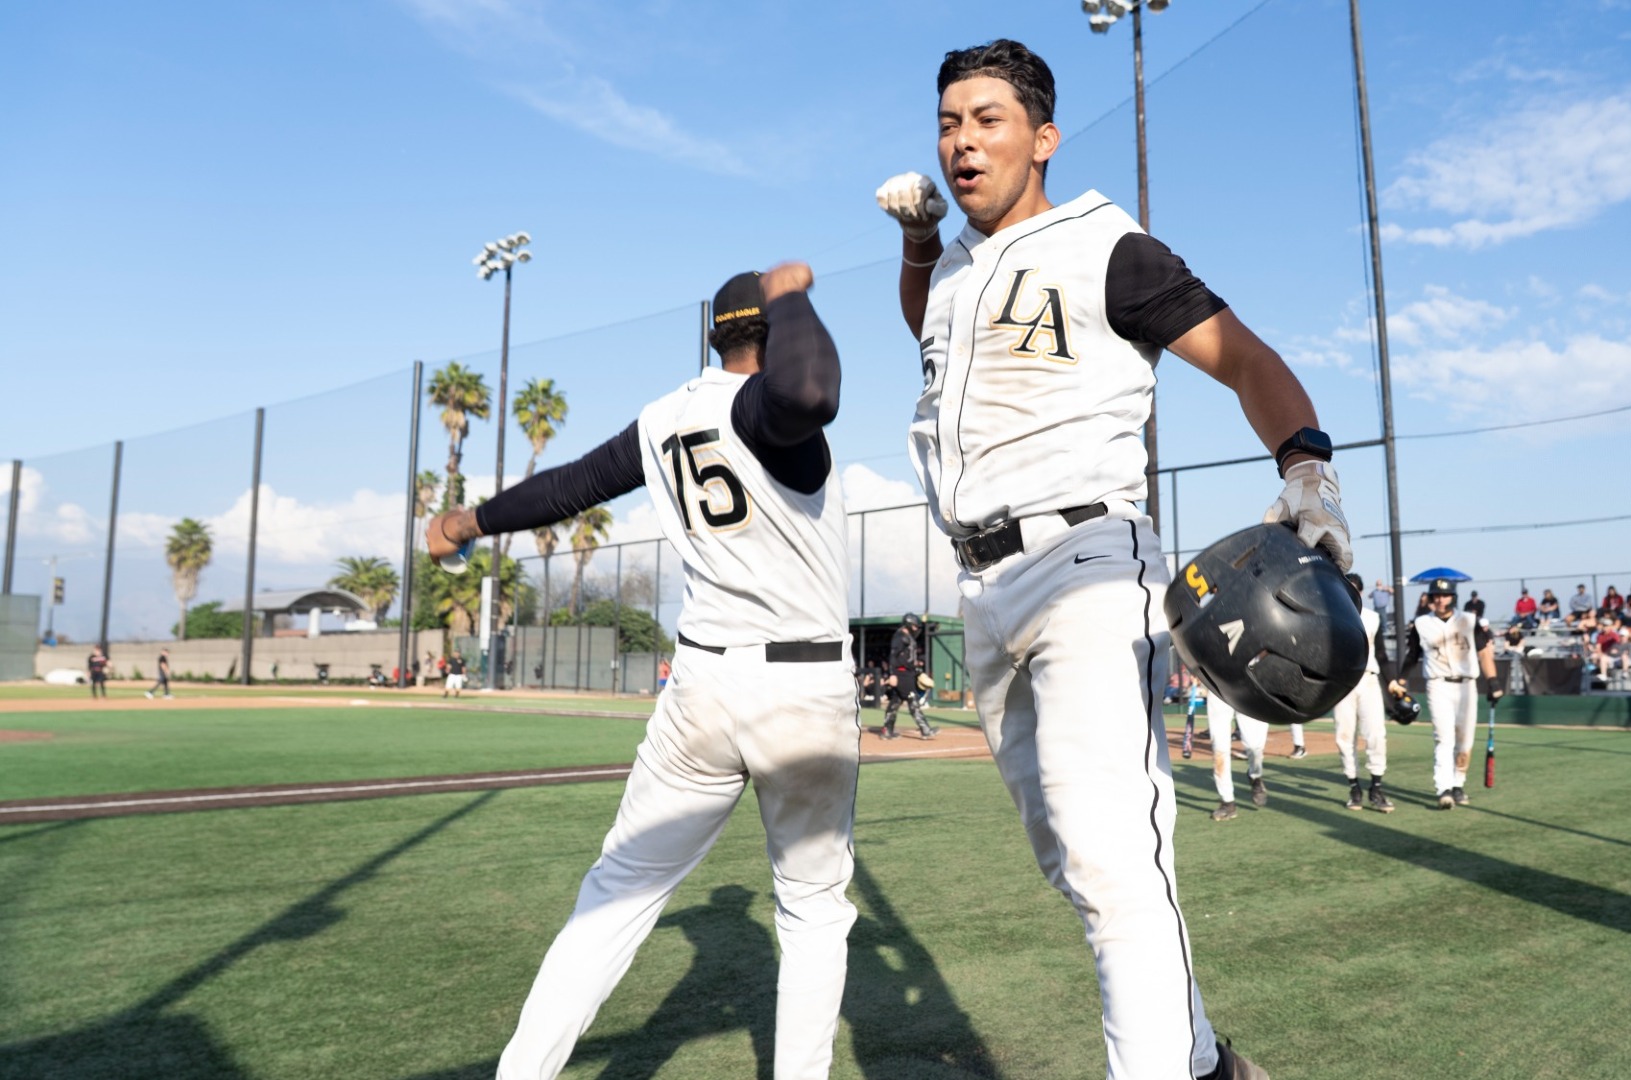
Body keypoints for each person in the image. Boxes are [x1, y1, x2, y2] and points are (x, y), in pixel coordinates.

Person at [872, 38, 1346, 1079]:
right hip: (983, 585)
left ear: (1040, 138)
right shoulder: (953, 268)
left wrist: (1308, 468)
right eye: (949, 122)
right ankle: (1208, 1063)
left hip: (1085, 562)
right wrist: (919, 246)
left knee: (1113, 857)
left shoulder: (1107, 247)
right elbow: (936, 330)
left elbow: (1245, 357)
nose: (961, 141)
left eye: (986, 119)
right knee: (1070, 858)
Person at [428, 263, 859, 1080]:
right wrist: (793, 289)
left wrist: (468, 521)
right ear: (772, 329)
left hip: (698, 690)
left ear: (713, 334)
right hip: (799, 689)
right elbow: (808, 394)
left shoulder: (664, 417)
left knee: (615, 894)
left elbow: (570, 486)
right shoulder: (770, 404)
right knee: (810, 912)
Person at [1389, 579, 1499, 810]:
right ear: (1430, 598)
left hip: (1467, 684)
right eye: (1436, 595)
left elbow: (1484, 652)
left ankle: (1458, 783)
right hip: (1438, 684)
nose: (1440, 599)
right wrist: (1400, 681)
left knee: (1465, 739)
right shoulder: (1421, 623)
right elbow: (1412, 655)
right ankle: (1444, 788)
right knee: (1443, 737)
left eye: (1445, 595)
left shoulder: (1469, 620)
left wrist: (1493, 682)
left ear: (1453, 597)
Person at [1333, 572, 1392, 812]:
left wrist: (1392, 682)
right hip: (1343, 683)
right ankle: (1354, 787)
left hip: (1368, 679)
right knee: (1344, 737)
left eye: (1355, 588)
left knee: (1376, 734)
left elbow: (1381, 654)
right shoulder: (1329, 616)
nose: (1351, 591)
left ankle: (1376, 788)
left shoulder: (1373, 618)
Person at [1207, 687, 1269, 822]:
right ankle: (1227, 802)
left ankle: (1255, 776)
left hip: (1249, 685)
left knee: (1254, 747)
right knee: (1219, 749)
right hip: (1216, 685)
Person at [881, 612, 936, 740]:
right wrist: (892, 674)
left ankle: (887, 730)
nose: (916, 629)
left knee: (895, 701)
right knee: (913, 699)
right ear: (909, 625)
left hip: (908, 673)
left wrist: (916, 669)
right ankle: (925, 729)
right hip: (901, 674)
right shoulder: (900, 636)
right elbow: (893, 655)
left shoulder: (908, 637)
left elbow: (907, 657)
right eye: (915, 626)